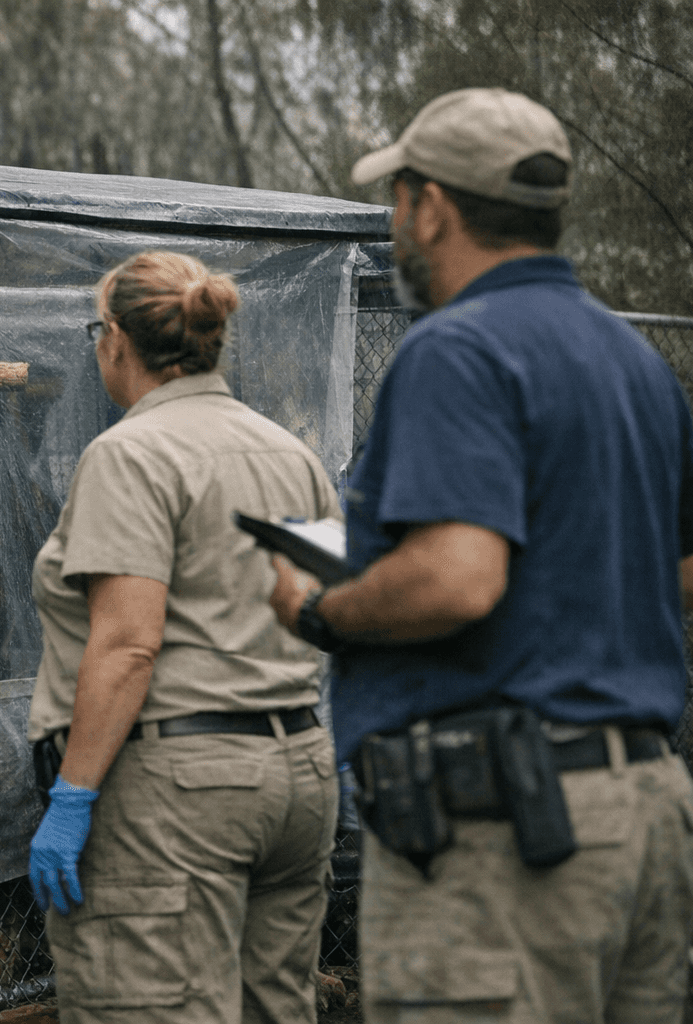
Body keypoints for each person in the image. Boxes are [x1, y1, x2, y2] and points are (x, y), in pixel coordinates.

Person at [269, 87, 693, 1022]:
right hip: (648, 813)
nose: (395, 224)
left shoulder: (457, 349)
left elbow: (458, 578)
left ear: (432, 205)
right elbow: (680, 572)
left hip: (509, 834)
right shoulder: (637, 364)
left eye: (399, 200)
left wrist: (316, 606)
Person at [26, 251, 341, 1024]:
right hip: (297, 775)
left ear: (114, 339)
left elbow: (130, 644)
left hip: (179, 793)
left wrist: (72, 797)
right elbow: (327, 603)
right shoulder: (290, 451)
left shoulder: (130, 453)